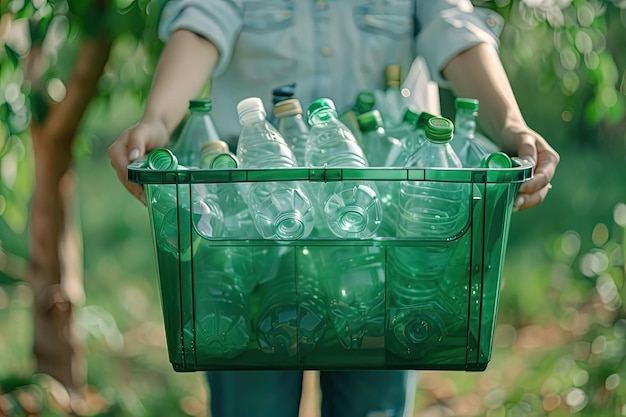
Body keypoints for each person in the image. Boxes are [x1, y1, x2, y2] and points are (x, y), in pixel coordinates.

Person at [108, 1, 560, 416]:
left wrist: (511, 124)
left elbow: (453, 28)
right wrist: (158, 120)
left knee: (371, 399)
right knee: (251, 399)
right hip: (250, 216)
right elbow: (203, 22)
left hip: (382, 225)